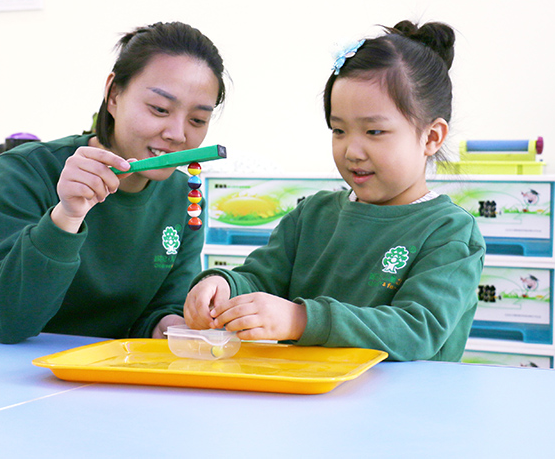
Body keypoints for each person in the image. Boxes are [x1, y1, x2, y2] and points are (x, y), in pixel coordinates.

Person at [184, 20, 485, 362]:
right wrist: (224, 288)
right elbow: (260, 278)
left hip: (405, 408)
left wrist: (301, 320)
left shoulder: (449, 232)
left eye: (373, 132)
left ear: (431, 137)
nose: (351, 150)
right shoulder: (313, 215)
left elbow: (417, 330)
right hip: (312, 401)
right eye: (339, 130)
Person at [0, 21, 227, 344]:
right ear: (114, 95)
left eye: (198, 120)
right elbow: (7, 323)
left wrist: (177, 326)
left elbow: (161, 310)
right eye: (159, 109)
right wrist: (67, 216)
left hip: (86, 369)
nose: (178, 134)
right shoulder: (23, 172)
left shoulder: (183, 198)